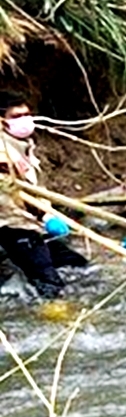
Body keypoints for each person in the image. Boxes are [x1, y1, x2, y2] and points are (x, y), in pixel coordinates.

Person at [0, 91, 88, 299]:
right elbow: (23, 193)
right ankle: (56, 313)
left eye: (27, 114)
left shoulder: (24, 146)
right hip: (13, 225)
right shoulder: (3, 153)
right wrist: (47, 217)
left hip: (33, 222)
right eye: (17, 116)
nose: (25, 121)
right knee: (49, 284)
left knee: (76, 265)